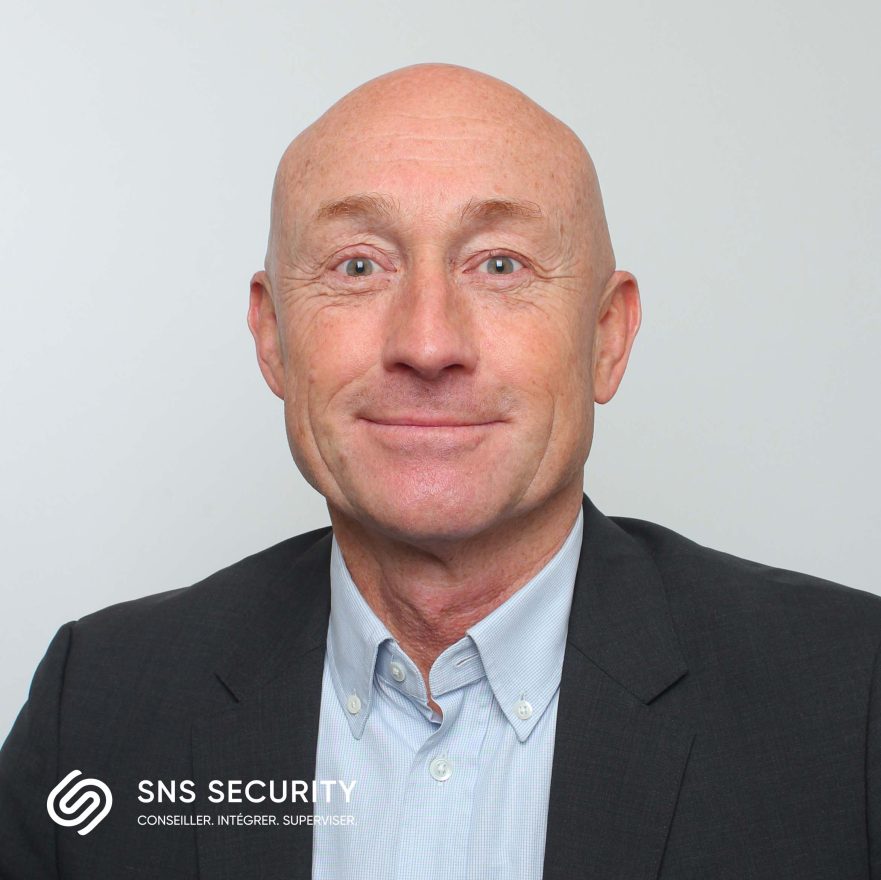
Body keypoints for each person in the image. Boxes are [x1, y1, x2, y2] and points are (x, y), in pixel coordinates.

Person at [1, 62, 879, 880]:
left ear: (606, 338)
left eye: (499, 264)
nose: (426, 343)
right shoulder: (97, 705)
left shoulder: (852, 699)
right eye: (357, 265)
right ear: (272, 339)